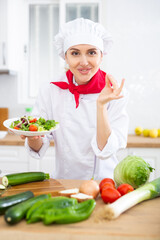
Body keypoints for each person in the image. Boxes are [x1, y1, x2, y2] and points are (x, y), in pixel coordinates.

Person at [23, 18, 129, 180]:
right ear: (65, 56)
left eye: (92, 52)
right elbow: (38, 147)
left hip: (105, 185)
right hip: (64, 183)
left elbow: (105, 151)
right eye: (75, 53)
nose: (84, 62)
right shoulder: (50, 91)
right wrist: (32, 137)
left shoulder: (116, 93)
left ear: (102, 55)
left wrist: (100, 105)